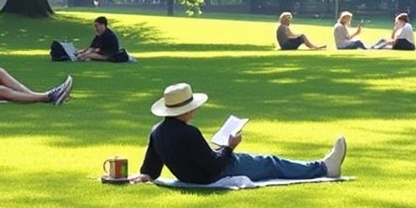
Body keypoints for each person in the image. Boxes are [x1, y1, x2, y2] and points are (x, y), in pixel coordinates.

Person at [130, 82, 347, 184]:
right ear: (186, 110)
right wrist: (230, 146)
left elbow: (151, 168)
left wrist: (145, 176)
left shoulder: (157, 131)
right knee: (270, 162)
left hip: (195, 174)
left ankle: (323, 166)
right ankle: (324, 167)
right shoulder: (188, 133)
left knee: (264, 162)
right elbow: (214, 165)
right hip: (214, 174)